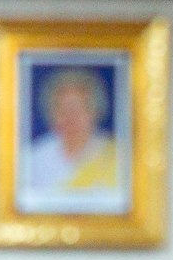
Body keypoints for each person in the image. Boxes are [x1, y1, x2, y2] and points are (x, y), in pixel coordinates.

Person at [26, 65, 121, 198]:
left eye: (78, 109)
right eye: (62, 109)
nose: (70, 117)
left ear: (95, 111)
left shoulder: (117, 156)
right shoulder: (34, 158)